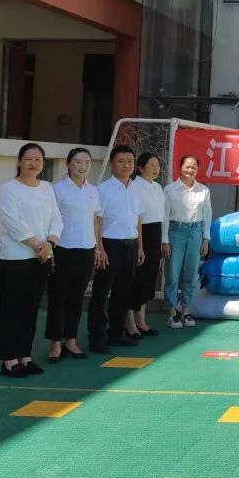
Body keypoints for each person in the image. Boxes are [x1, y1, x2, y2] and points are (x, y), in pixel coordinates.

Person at [0, 143, 61, 378]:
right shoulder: (9, 189)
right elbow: (13, 223)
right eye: (28, 159)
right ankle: (9, 360)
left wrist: (50, 243)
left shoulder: (47, 188)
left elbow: (56, 218)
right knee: (11, 309)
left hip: (41, 258)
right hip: (14, 259)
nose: (33, 163)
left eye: (38, 159)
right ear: (19, 161)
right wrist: (37, 245)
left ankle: (25, 356)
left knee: (31, 309)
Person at [88, 145, 144, 354]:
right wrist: (100, 249)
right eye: (121, 161)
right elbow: (97, 221)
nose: (126, 165)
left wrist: (140, 247)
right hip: (109, 245)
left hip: (131, 245)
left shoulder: (136, 188)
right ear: (112, 164)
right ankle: (97, 337)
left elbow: (138, 219)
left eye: (129, 161)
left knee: (123, 292)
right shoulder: (103, 190)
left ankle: (117, 333)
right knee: (101, 293)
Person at [45, 147, 99, 363]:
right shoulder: (57, 189)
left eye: (87, 162)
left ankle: (71, 340)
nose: (83, 166)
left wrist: (97, 248)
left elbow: (94, 220)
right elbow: (50, 220)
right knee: (58, 297)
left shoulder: (93, 190)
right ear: (68, 164)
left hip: (86, 250)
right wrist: (50, 251)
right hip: (63, 249)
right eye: (78, 161)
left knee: (77, 297)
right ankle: (55, 343)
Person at [162, 155, 212, 329]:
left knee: (191, 273)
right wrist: (164, 240)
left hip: (196, 232)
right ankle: (172, 312)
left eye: (193, 167)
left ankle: (186, 311)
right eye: (187, 166)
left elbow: (207, 215)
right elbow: (164, 216)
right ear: (180, 167)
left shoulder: (203, 190)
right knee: (173, 273)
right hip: (175, 230)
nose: (190, 170)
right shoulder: (170, 190)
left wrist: (206, 239)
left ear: (197, 170)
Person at [128, 153, 166, 338]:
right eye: (151, 165)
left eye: (157, 164)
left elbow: (161, 215)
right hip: (141, 233)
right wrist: (140, 246)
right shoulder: (134, 186)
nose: (156, 168)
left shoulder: (157, 187)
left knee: (149, 277)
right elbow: (137, 218)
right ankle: (129, 323)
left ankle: (141, 320)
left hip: (155, 232)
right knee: (136, 278)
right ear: (140, 168)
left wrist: (163, 240)